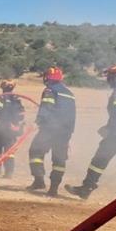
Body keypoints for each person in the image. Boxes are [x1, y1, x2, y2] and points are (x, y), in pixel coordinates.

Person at [66, 65, 116, 205]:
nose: (109, 79)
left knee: (98, 161)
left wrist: (109, 129)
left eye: (110, 76)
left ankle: (86, 188)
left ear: (115, 77)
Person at [27, 66, 76, 196]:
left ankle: (38, 181)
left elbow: (47, 107)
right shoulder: (69, 93)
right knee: (59, 160)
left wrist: (37, 121)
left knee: (35, 151)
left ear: (48, 77)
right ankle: (53, 189)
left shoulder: (50, 90)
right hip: (65, 132)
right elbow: (72, 114)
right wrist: (68, 132)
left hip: (50, 129)